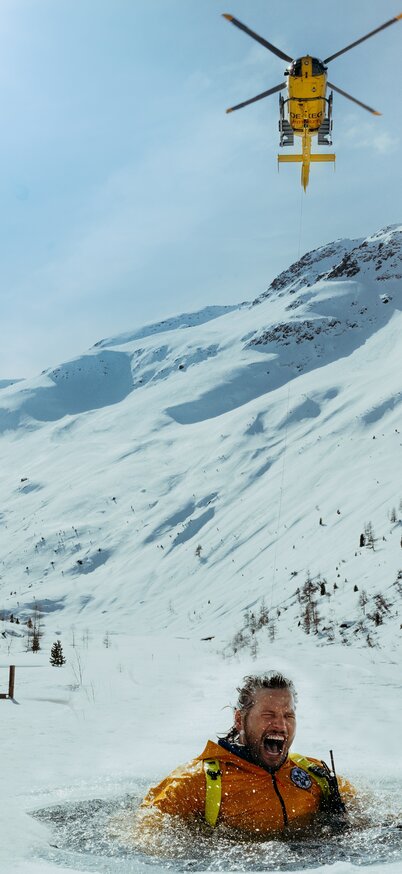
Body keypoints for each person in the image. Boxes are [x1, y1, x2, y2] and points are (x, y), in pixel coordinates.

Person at [136, 671, 354, 839]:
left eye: (288, 716)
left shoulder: (316, 775)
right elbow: (143, 833)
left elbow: (365, 816)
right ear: (240, 720)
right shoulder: (199, 780)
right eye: (268, 715)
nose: (280, 725)